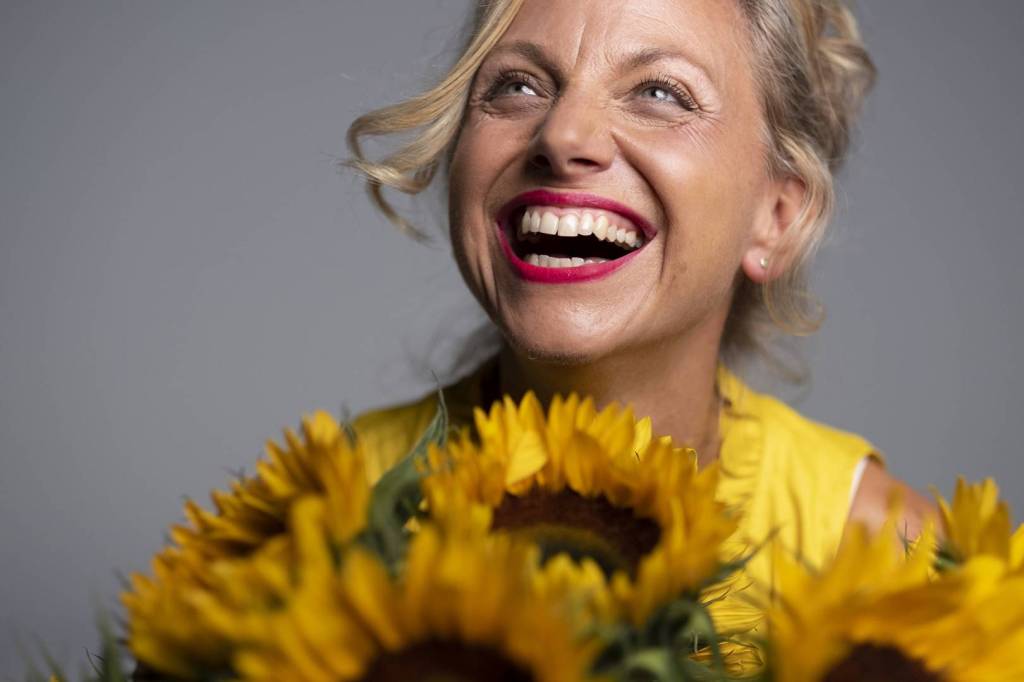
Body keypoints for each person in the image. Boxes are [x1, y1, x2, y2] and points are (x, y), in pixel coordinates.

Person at [345, 0, 936, 670]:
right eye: (518, 86)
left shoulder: (889, 560)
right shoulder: (318, 518)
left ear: (776, 217)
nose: (562, 135)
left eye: (660, 93)